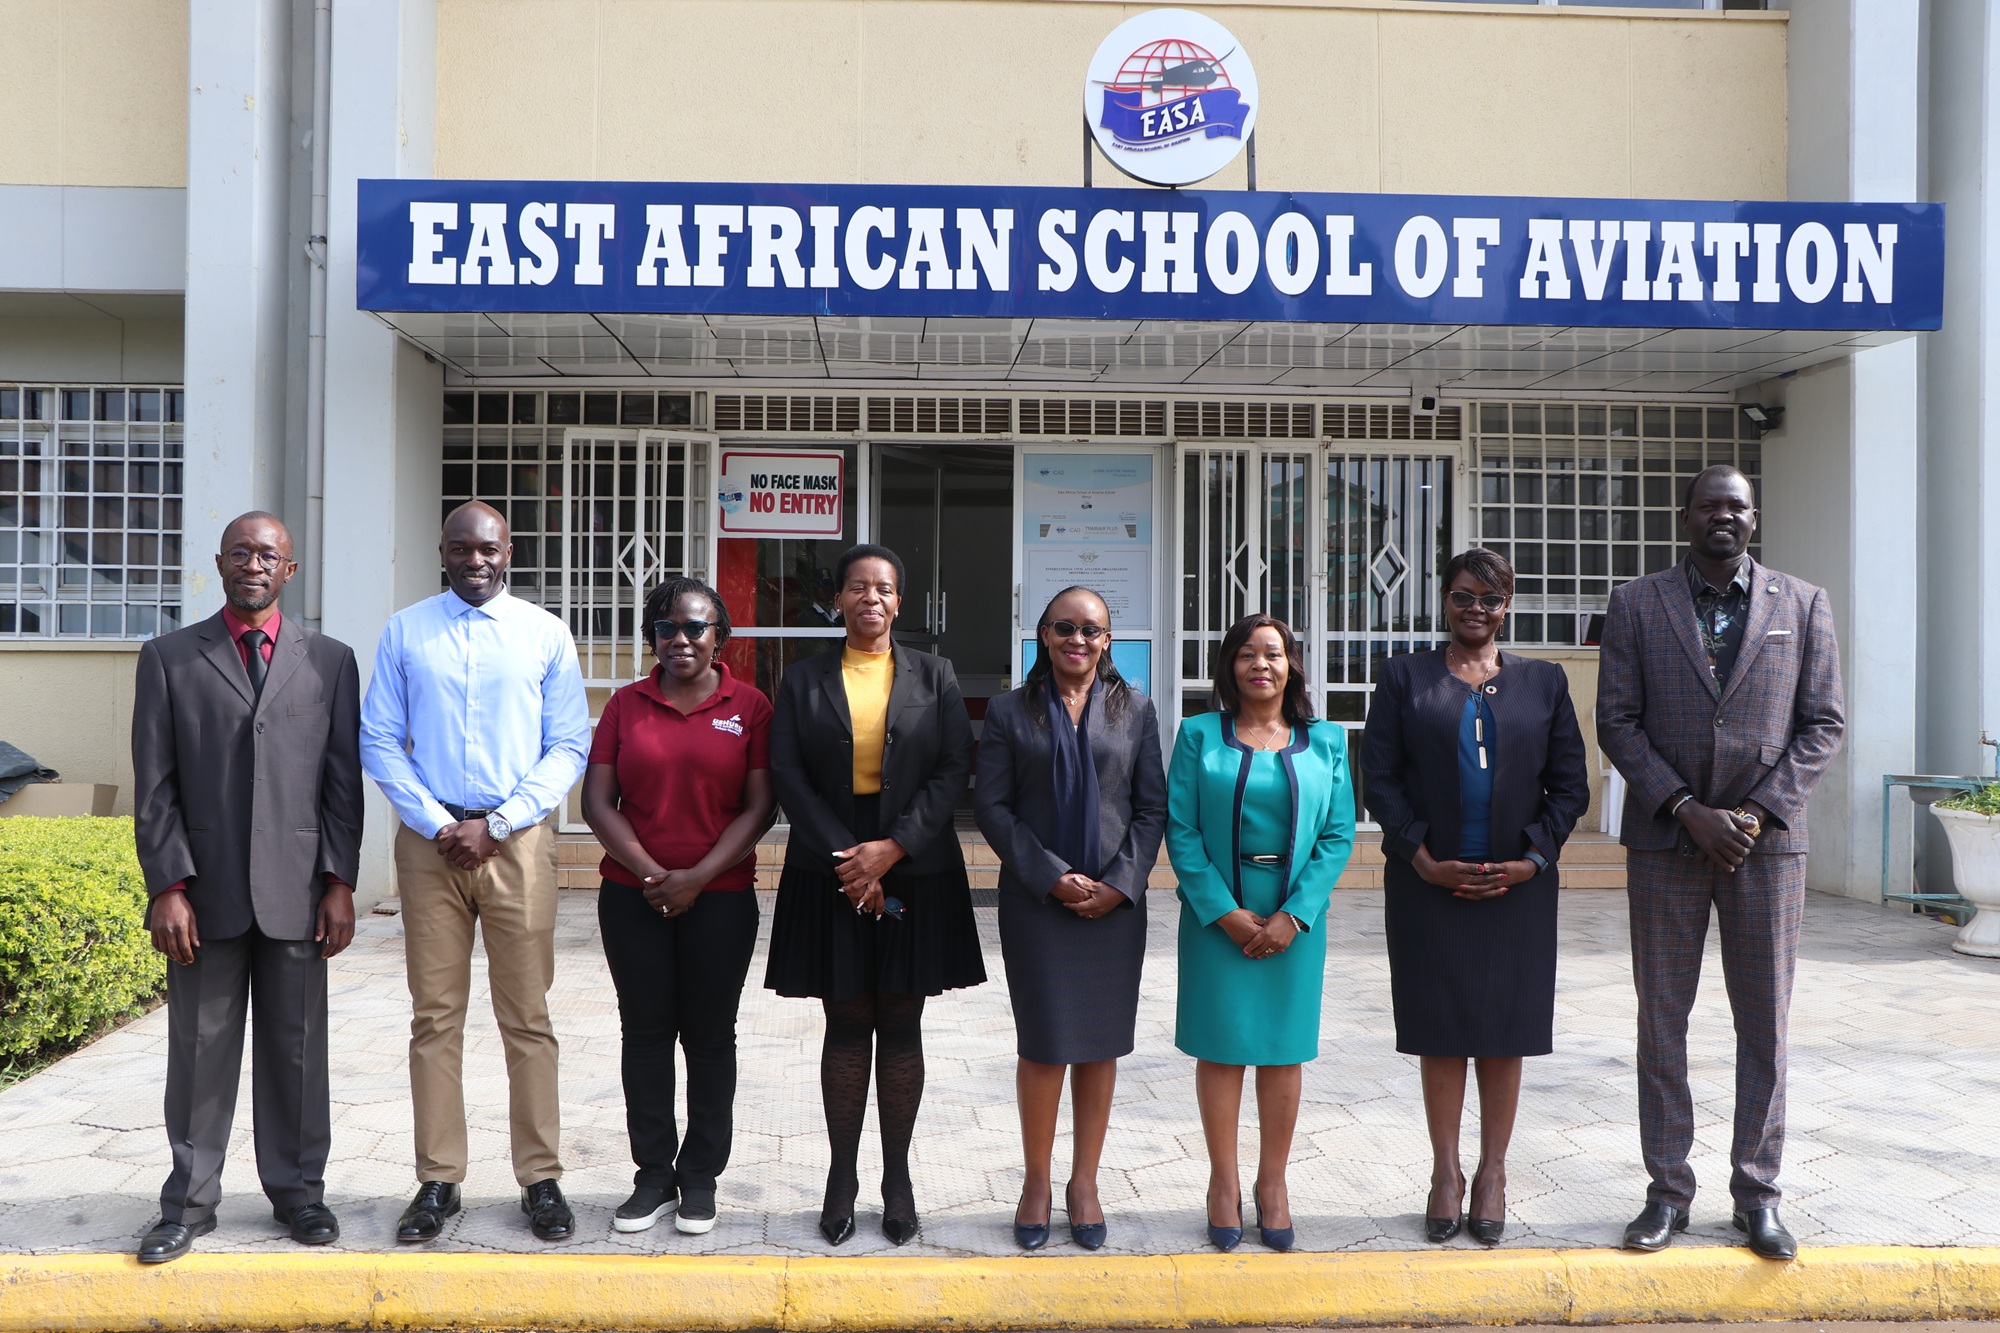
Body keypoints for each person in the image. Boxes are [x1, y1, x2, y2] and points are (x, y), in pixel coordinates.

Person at [1597, 465, 1844, 1261]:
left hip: (1765, 849)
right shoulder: (1637, 603)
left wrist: (1753, 813)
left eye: (1735, 506)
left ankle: (1757, 1194)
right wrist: (1686, 809)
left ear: (1753, 516)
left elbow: (1823, 723)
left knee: (1763, 1024)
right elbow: (1618, 721)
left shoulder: (1802, 604)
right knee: (1661, 1023)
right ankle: (1667, 1192)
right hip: (1668, 843)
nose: (1722, 517)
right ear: (1686, 516)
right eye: (1709, 505)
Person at [130, 511, 363, 1263]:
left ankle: (299, 1192)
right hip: (204, 896)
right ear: (221, 562)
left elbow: (341, 787)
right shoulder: (169, 657)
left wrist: (339, 880)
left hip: (298, 893)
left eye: (269, 554)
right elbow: (155, 784)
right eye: (242, 551)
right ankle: (189, 1202)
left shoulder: (330, 661)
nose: (254, 563)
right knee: (198, 1050)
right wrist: (167, 884)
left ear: (289, 571)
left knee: (297, 1050)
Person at [359, 501, 592, 1245]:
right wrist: (438, 822)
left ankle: (541, 1176)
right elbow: (380, 739)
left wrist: (497, 822)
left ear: (510, 550)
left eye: (487, 547)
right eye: (461, 547)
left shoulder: (544, 634)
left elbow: (568, 745)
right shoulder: (405, 630)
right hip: (431, 846)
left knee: (527, 1015)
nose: (475, 559)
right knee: (435, 1016)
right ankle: (439, 1177)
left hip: (516, 840)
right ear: (443, 551)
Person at [1360, 549, 1590, 1245]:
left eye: (1490, 600)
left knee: (1504, 1030)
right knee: (1441, 1028)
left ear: (1507, 605)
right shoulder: (1405, 676)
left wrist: (1532, 858)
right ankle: (1444, 1171)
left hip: (1516, 891)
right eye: (1463, 596)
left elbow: (1570, 785)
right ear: (1444, 599)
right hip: (1430, 885)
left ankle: (1492, 1170)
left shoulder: (1543, 683)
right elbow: (1380, 775)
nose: (1475, 610)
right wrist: (1420, 855)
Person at [763, 543, 986, 1247]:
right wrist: (850, 858)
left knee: (901, 1020)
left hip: (913, 862)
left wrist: (892, 849)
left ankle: (896, 1178)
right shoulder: (801, 680)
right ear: (838, 599)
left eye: (883, 588)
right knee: (847, 1019)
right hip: (829, 862)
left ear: (899, 601)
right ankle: (840, 1176)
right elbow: (788, 773)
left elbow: (955, 769)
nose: (870, 598)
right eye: (857, 586)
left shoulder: (936, 674)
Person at [973, 586, 1168, 1251]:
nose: (1077, 639)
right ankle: (1035, 1180)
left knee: (1100, 1043)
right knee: (1044, 1043)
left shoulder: (1137, 711)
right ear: (1045, 635)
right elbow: (992, 807)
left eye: (1091, 629)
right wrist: (1050, 875)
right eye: (1065, 627)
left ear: (1108, 640)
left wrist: (1120, 883)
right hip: (1036, 903)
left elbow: (1151, 809)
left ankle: (1084, 1182)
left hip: (1114, 908)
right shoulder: (1008, 711)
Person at [581, 577, 776, 1237]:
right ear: (652, 638)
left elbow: (759, 807)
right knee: (645, 1034)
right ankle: (652, 1175)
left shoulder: (748, 706)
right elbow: (597, 802)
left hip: (720, 899)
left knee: (710, 1037)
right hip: (633, 897)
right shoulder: (625, 705)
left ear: (720, 635)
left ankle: (700, 1177)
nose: (681, 639)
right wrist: (654, 873)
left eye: (695, 627)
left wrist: (696, 876)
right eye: (666, 629)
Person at [1167, 614, 1355, 1253]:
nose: (1260, 665)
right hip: (1217, 917)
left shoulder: (1326, 740)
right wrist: (1221, 910)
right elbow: (1182, 830)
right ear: (1230, 667)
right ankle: (1223, 1184)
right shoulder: (1197, 737)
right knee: (1221, 1049)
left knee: (1282, 1052)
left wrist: (1295, 915)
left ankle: (1272, 1185)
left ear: (1292, 665)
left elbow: (1337, 834)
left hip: (1295, 922)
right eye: (1247, 654)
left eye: (1273, 654)